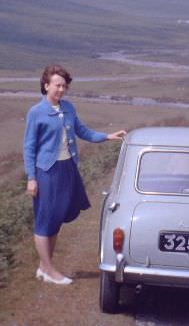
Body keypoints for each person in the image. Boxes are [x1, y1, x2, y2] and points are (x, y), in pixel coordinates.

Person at [23, 64, 126, 285]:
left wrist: (107, 136)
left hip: (67, 168)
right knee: (45, 219)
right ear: (46, 85)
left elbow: (83, 131)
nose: (60, 89)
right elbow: (29, 148)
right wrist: (31, 178)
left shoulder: (68, 108)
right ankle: (49, 270)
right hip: (46, 171)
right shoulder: (36, 112)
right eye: (56, 85)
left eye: (64, 86)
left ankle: (44, 266)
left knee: (57, 217)